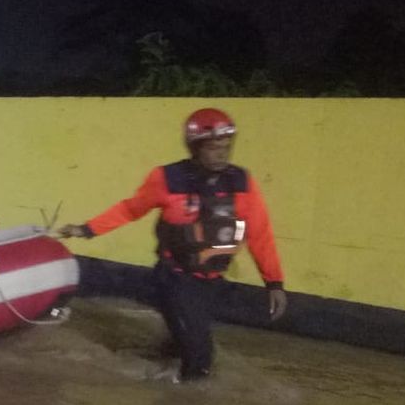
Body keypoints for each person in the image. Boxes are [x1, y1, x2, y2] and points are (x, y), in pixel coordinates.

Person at [58, 108, 287, 381]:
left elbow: (260, 233)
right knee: (201, 357)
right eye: (214, 148)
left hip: (212, 282)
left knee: (182, 344)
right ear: (195, 147)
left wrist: (274, 283)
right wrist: (87, 229)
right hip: (175, 279)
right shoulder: (167, 179)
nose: (222, 154)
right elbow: (130, 210)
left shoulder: (241, 182)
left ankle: (160, 377)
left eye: (226, 147)